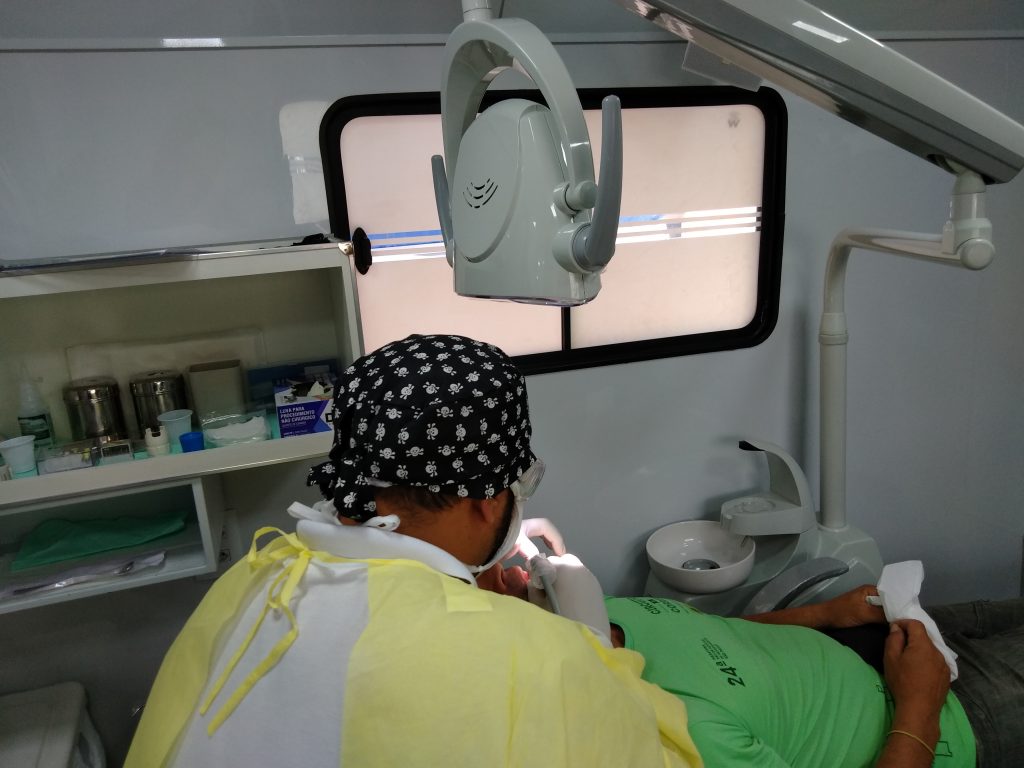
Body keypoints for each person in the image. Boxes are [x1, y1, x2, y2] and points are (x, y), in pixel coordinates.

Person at [124, 334, 702, 767]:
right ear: (489, 498)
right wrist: (590, 644)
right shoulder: (531, 660)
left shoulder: (249, 580)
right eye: (519, 486)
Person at [479, 560, 1024, 767]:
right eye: (490, 583)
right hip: (950, 717)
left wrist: (824, 615)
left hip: (888, 639)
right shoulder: (685, 738)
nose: (508, 571)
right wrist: (920, 702)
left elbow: (715, 637)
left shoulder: (593, 610)